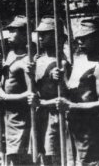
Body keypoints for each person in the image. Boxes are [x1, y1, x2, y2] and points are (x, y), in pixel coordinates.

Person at [55, 16, 99, 166]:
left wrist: (72, 106)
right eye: (80, 36)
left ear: (98, 39)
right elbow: (70, 93)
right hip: (74, 127)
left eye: (87, 37)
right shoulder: (78, 63)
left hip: (90, 131)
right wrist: (61, 80)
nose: (80, 40)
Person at [29, 16, 70, 166]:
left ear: (56, 36)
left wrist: (60, 77)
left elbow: (68, 93)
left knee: (53, 156)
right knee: (41, 156)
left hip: (54, 116)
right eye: (39, 34)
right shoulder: (37, 60)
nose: (39, 38)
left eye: (44, 34)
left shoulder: (62, 62)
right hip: (39, 114)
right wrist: (30, 74)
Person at [0, 15, 33, 166]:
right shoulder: (9, 55)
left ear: (24, 35)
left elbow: (31, 93)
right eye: (9, 31)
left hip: (21, 117)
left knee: (21, 158)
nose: (9, 36)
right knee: (10, 157)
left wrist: (5, 97)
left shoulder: (27, 61)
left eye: (13, 32)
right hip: (7, 116)